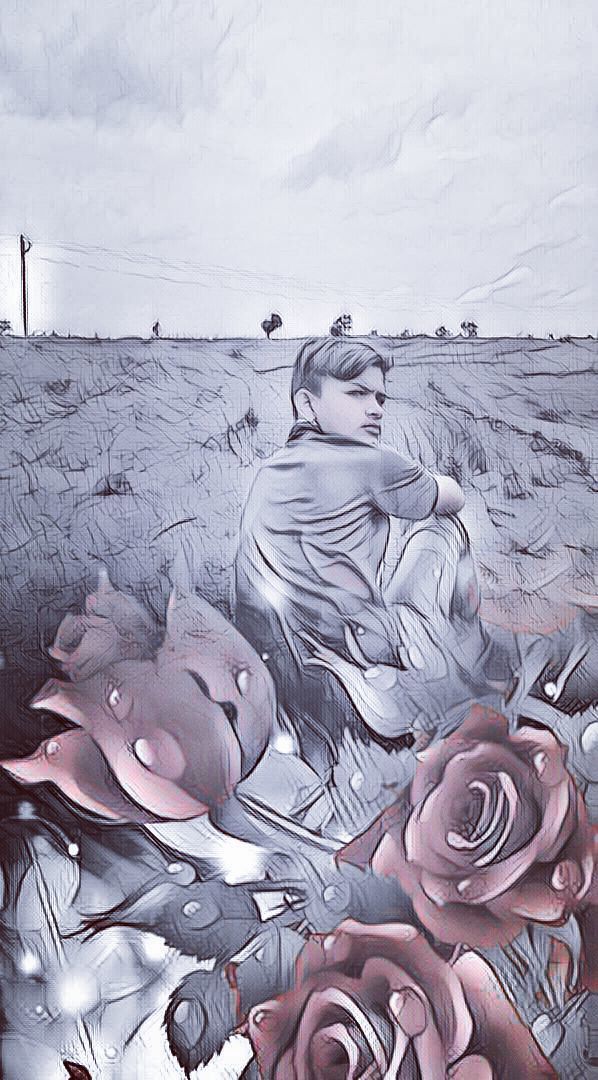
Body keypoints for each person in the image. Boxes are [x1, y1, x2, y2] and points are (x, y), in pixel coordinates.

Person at [234, 337, 486, 768]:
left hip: (280, 680)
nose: (376, 409)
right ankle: (464, 664)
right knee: (444, 527)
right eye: (357, 393)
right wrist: (421, 486)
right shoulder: (370, 461)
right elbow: (452, 497)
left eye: (380, 398)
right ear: (306, 404)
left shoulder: (269, 472)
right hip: (357, 675)